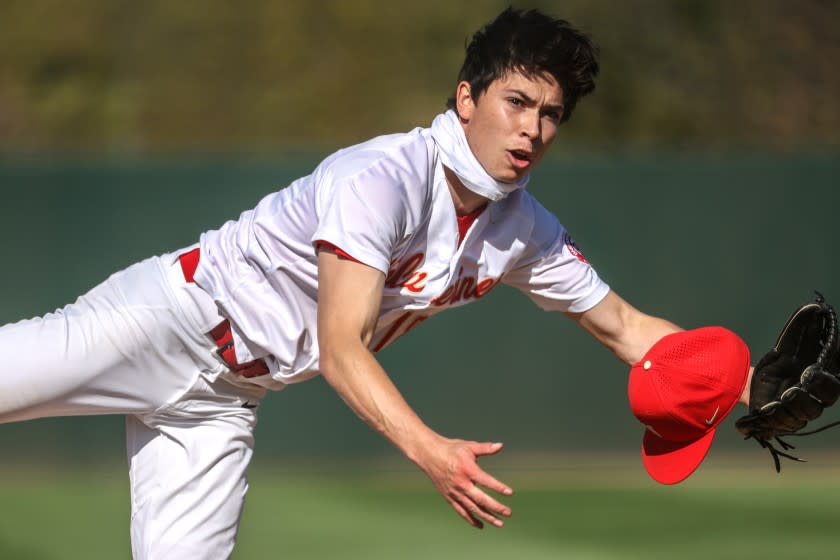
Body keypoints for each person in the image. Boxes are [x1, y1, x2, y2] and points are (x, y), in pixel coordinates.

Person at [0, 7, 746, 559]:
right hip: (164, 322)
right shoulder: (382, 179)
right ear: (466, 99)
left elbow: (626, 328)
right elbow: (340, 348)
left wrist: (754, 386)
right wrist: (430, 450)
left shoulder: (523, 228)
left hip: (224, 405)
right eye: (516, 102)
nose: (532, 130)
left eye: (552, 114)